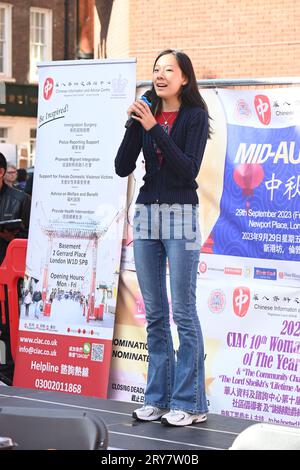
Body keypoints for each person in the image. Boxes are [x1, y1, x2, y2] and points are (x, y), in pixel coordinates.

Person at [115, 49, 211, 426]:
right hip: (145, 217)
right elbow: (122, 166)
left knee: (183, 314)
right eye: (156, 69)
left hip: (181, 216)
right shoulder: (145, 115)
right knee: (154, 314)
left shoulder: (195, 117)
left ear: (184, 78)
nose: (160, 75)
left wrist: (155, 127)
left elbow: (188, 170)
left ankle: (190, 403)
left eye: (168, 69)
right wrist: (134, 126)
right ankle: (157, 398)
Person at [0, 153, 31, 264]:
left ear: (1, 172)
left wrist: (13, 237)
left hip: (8, 270)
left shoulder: (21, 200)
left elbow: (32, 237)